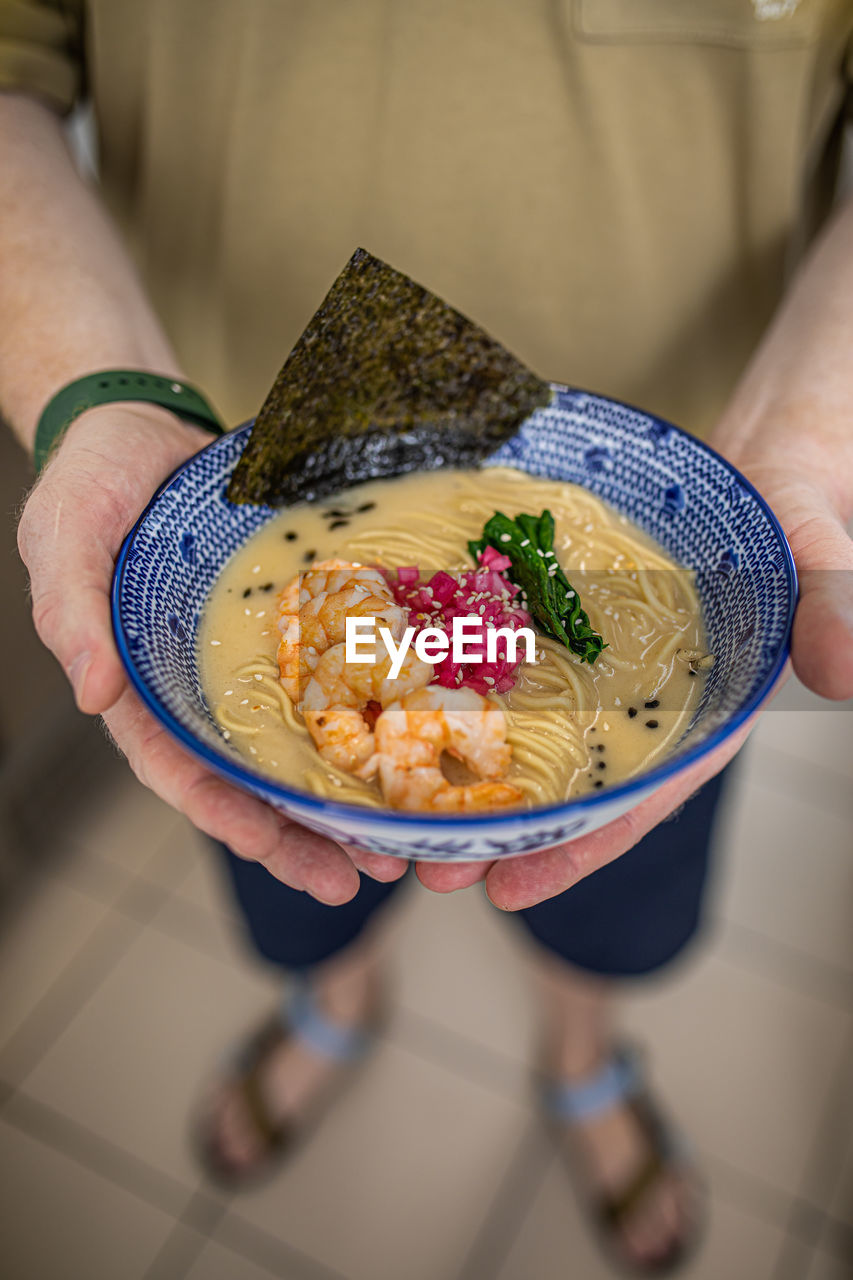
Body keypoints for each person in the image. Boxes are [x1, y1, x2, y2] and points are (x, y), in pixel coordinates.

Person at [2, 2, 852, 1272]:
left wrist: (813, 422)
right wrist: (96, 390)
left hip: (677, 505)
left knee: (600, 896)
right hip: (220, 461)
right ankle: (335, 1004)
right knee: (299, 880)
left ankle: (582, 1057)